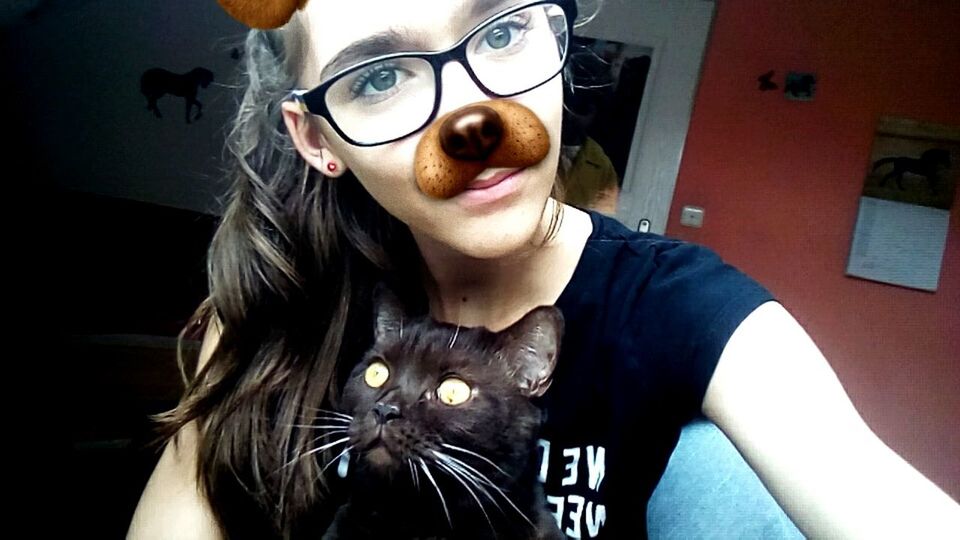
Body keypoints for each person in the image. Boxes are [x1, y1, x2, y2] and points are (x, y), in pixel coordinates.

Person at [128, 1, 960, 538]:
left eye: (500, 31)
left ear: (558, 39)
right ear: (317, 139)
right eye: (379, 77)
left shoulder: (684, 306)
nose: (472, 123)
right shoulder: (280, 299)